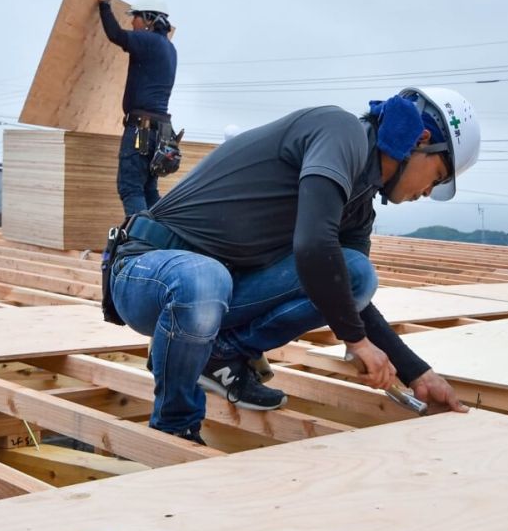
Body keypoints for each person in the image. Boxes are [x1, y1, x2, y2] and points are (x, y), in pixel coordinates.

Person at [104, 86, 482, 445]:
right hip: (146, 269)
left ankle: (218, 353)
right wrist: (356, 341)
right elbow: (313, 245)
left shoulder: (359, 205)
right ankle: (175, 424)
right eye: (439, 176)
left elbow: (347, 296)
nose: (429, 192)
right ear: (420, 141)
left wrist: (416, 372)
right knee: (206, 278)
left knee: (355, 275)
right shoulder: (340, 132)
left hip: (218, 292)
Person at [97, 0, 178, 216]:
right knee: (149, 190)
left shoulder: (149, 41)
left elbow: (116, 35)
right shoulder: (170, 48)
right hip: (160, 132)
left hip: (142, 130)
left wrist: (104, 6)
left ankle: (142, 244)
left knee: (131, 188)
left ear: (149, 19)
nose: (133, 23)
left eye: (136, 17)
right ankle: (159, 242)